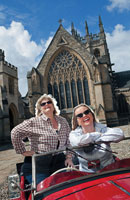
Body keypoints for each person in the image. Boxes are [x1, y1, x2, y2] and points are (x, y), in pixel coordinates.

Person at [11, 94, 73, 184]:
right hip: (39, 164)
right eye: (43, 104)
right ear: (40, 108)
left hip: (59, 162)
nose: (46, 104)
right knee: (43, 191)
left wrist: (68, 157)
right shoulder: (34, 122)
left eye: (49, 102)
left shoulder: (62, 121)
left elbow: (69, 141)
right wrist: (23, 151)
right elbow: (15, 132)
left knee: (64, 188)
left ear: (53, 105)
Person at [69, 104, 124, 173]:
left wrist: (96, 139)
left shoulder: (102, 128)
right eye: (80, 115)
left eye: (86, 112)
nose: (84, 115)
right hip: (87, 175)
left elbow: (120, 134)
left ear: (92, 114)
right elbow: (79, 141)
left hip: (110, 171)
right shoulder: (74, 134)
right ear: (76, 121)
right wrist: (97, 135)